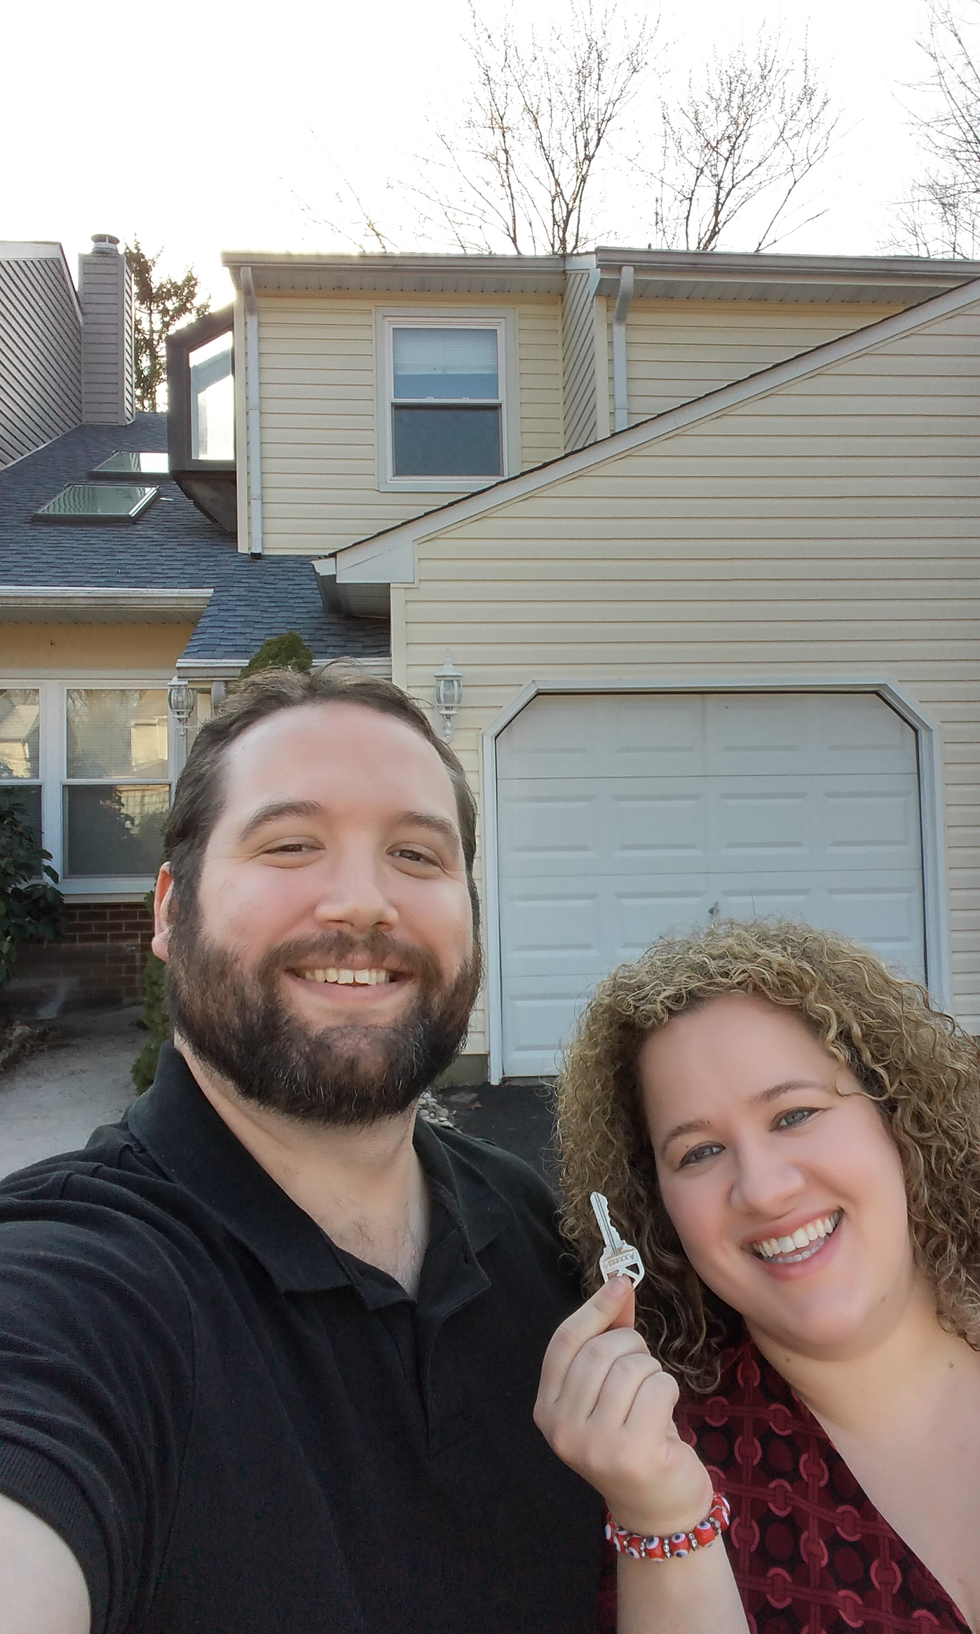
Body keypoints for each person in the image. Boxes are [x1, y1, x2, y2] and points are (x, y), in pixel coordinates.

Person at [0, 663, 744, 1634]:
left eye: (416, 854)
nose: (362, 902)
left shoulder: (529, 1230)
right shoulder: (76, 1286)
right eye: (291, 843)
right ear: (169, 910)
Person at [555, 918, 980, 1634]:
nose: (762, 1189)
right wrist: (663, 1519)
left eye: (794, 1114)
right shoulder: (661, 1463)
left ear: (896, 1113)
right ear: (655, 1208)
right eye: (699, 1152)